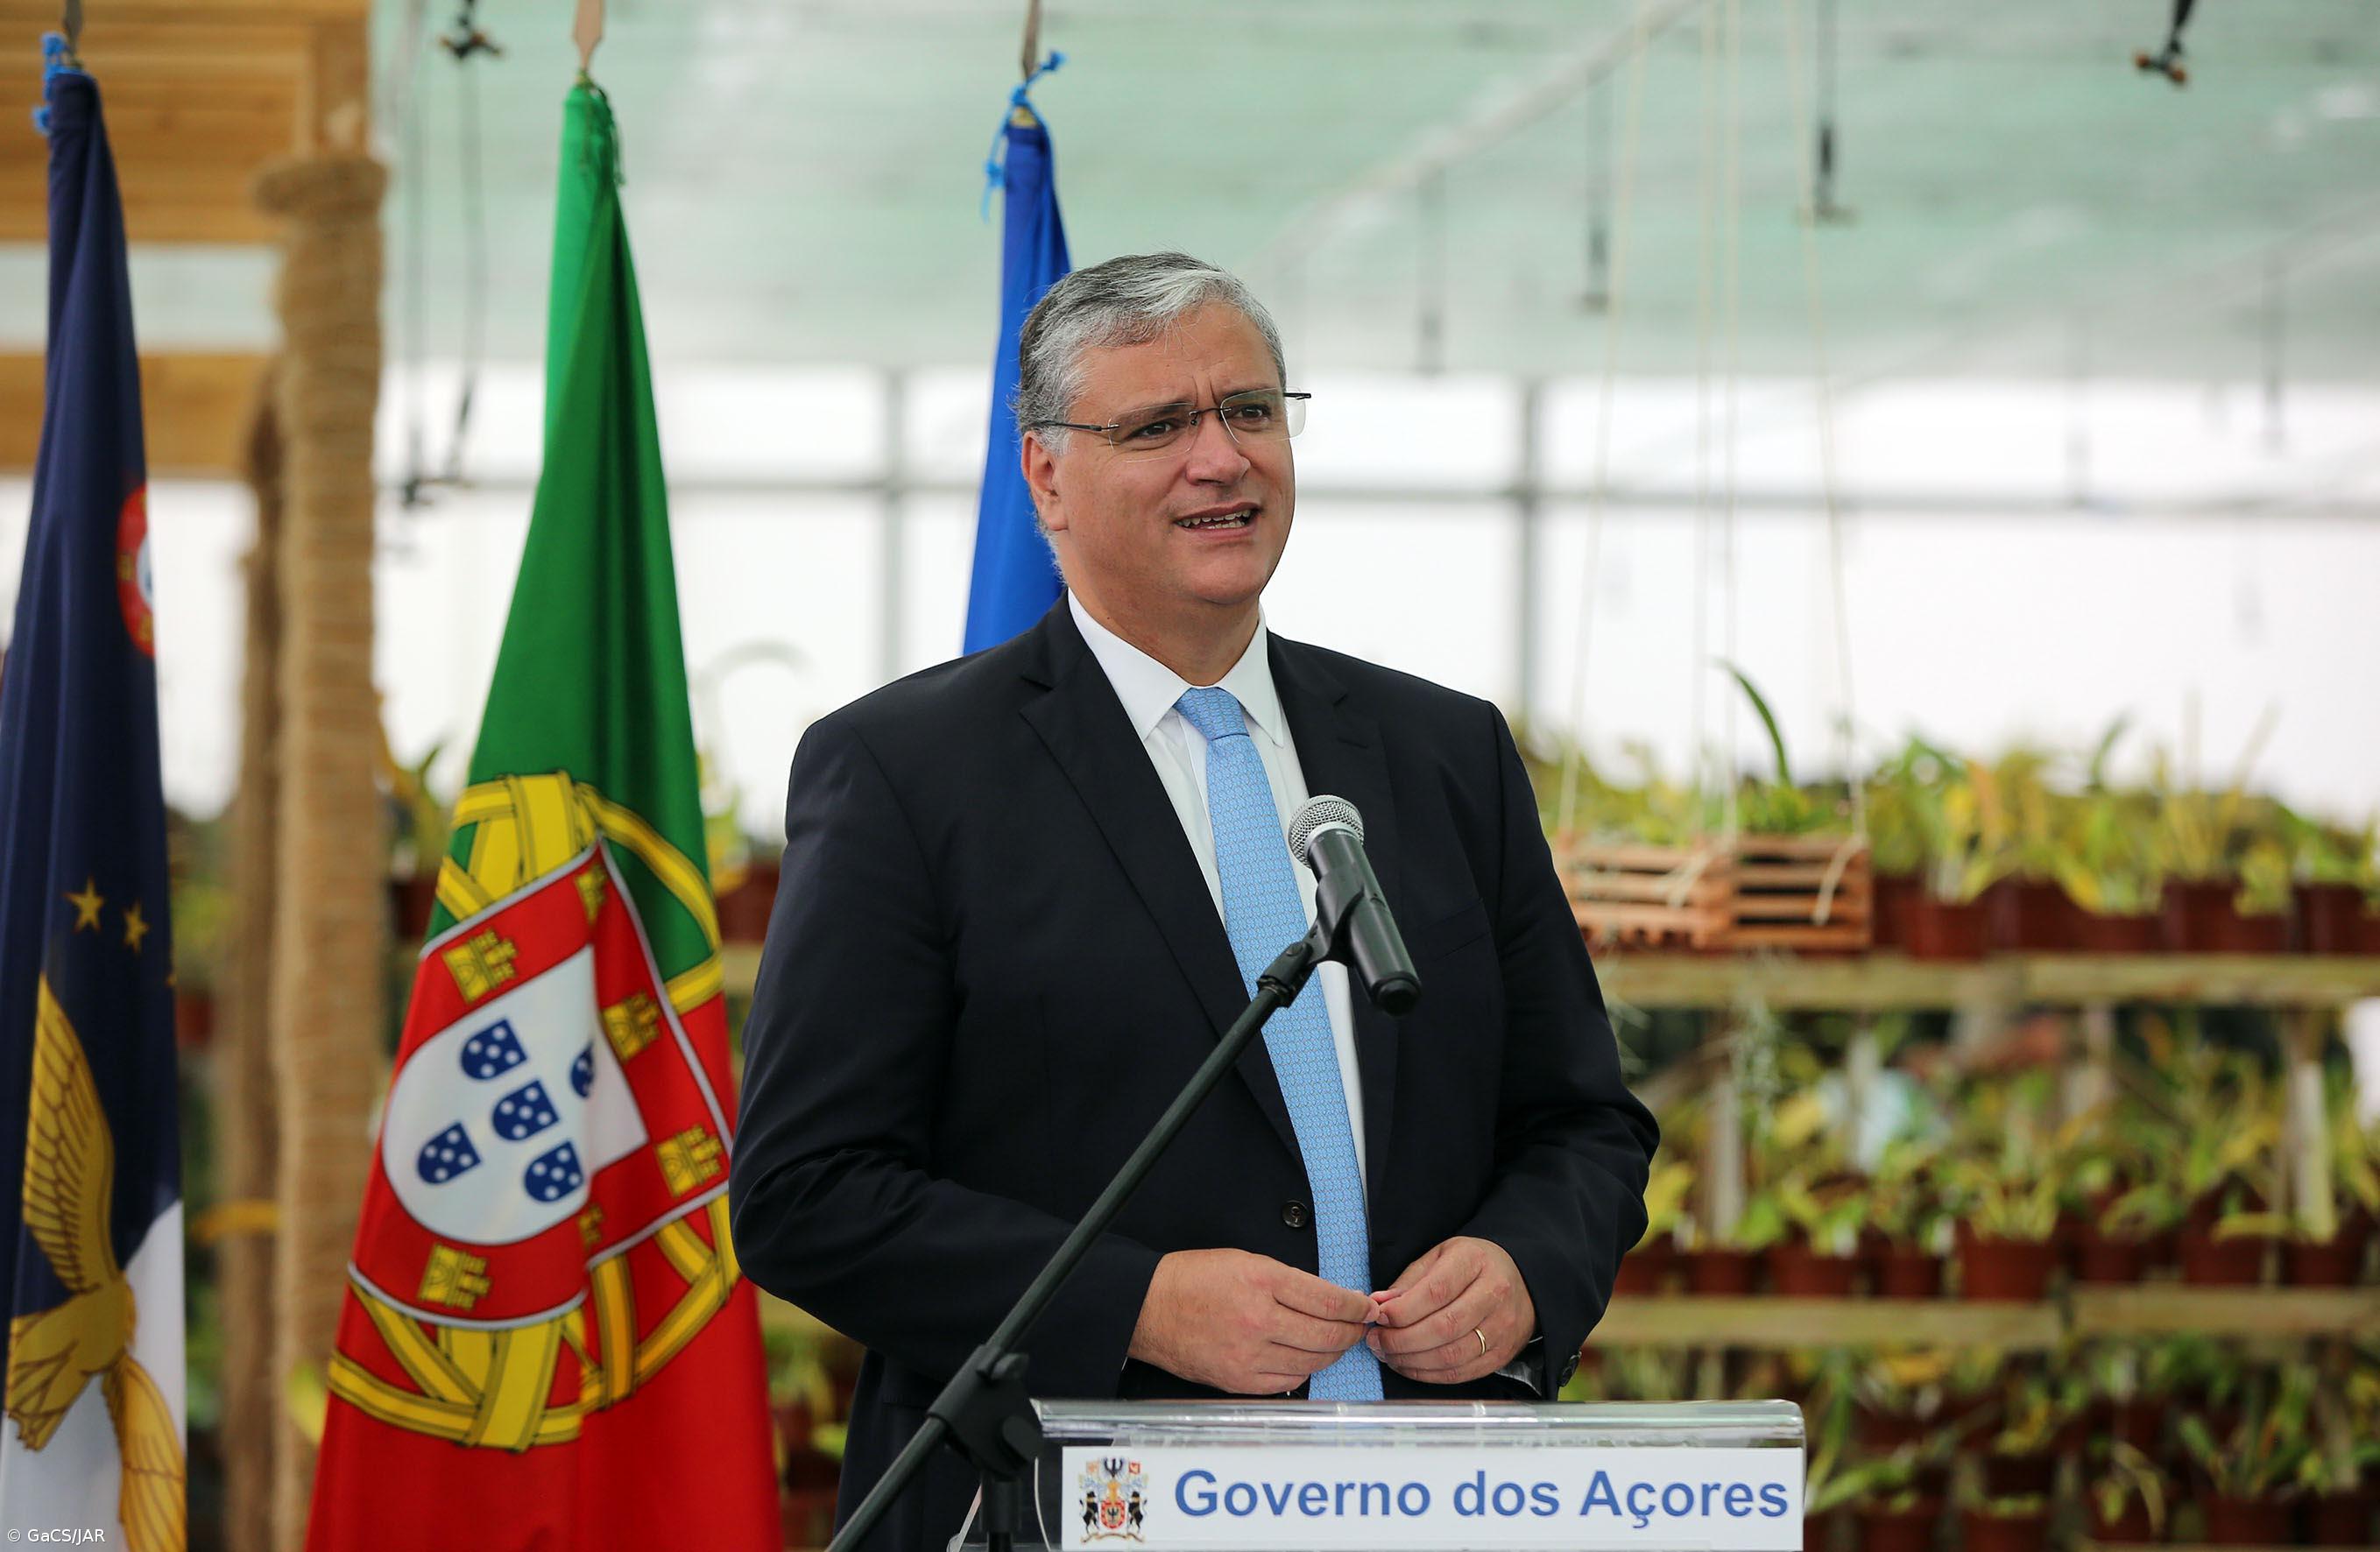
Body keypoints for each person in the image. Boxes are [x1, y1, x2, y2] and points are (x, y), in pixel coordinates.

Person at [730, 251, 1656, 1550]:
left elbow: (1581, 1125)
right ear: (1046, 477)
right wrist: (1137, 1304)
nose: (1220, 460)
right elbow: (806, 1194)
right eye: (1158, 425)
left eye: (1252, 412)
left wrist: (1525, 1268)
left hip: (1425, 1494)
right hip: (1058, 1502)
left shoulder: (1443, 751)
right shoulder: (904, 771)